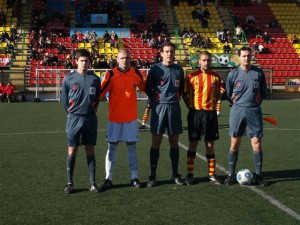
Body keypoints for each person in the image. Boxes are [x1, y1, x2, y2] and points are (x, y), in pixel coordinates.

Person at [99, 49, 146, 191]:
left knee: (132, 147)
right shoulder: (111, 74)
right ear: (117, 59)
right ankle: (108, 178)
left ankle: (134, 177)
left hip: (131, 118)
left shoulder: (136, 73)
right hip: (114, 119)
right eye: (122, 58)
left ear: (130, 59)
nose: (125, 60)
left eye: (127, 58)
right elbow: (100, 93)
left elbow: (145, 88)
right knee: (112, 147)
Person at [224, 46, 268, 186]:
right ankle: (231, 174)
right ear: (239, 57)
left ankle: (259, 175)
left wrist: (254, 103)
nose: (246, 58)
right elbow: (229, 93)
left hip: (254, 111)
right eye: (244, 56)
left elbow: (263, 92)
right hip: (237, 111)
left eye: (248, 56)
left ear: (251, 56)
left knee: (256, 143)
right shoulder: (233, 74)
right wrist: (238, 103)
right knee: (235, 143)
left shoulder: (258, 73)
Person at [145, 42, 185, 187]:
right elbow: (148, 88)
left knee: (174, 142)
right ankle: (153, 175)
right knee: (156, 141)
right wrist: (156, 99)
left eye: (171, 51)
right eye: (166, 51)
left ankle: (175, 174)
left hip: (174, 108)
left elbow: (180, 88)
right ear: (161, 53)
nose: (169, 54)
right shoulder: (155, 69)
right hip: (159, 108)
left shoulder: (179, 70)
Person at [61, 48, 101, 194]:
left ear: (90, 62)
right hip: (74, 119)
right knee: (73, 149)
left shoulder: (95, 79)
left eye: (86, 61)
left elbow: (97, 98)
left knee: (90, 149)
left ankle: (93, 182)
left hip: (90, 118)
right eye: (81, 61)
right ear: (76, 62)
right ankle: (70, 182)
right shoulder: (68, 79)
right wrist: (73, 113)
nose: (84, 63)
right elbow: (64, 101)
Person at [182, 51, 223, 185]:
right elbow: (185, 94)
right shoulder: (191, 76)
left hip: (210, 115)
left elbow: (218, 94)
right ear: (199, 61)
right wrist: (191, 107)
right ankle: (190, 174)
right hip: (195, 114)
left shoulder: (216, 77)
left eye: (208, 60)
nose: (206, 62)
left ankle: (212, 174)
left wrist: (213, 105)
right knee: (193, 143)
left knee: (210, 145)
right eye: (204, 60)